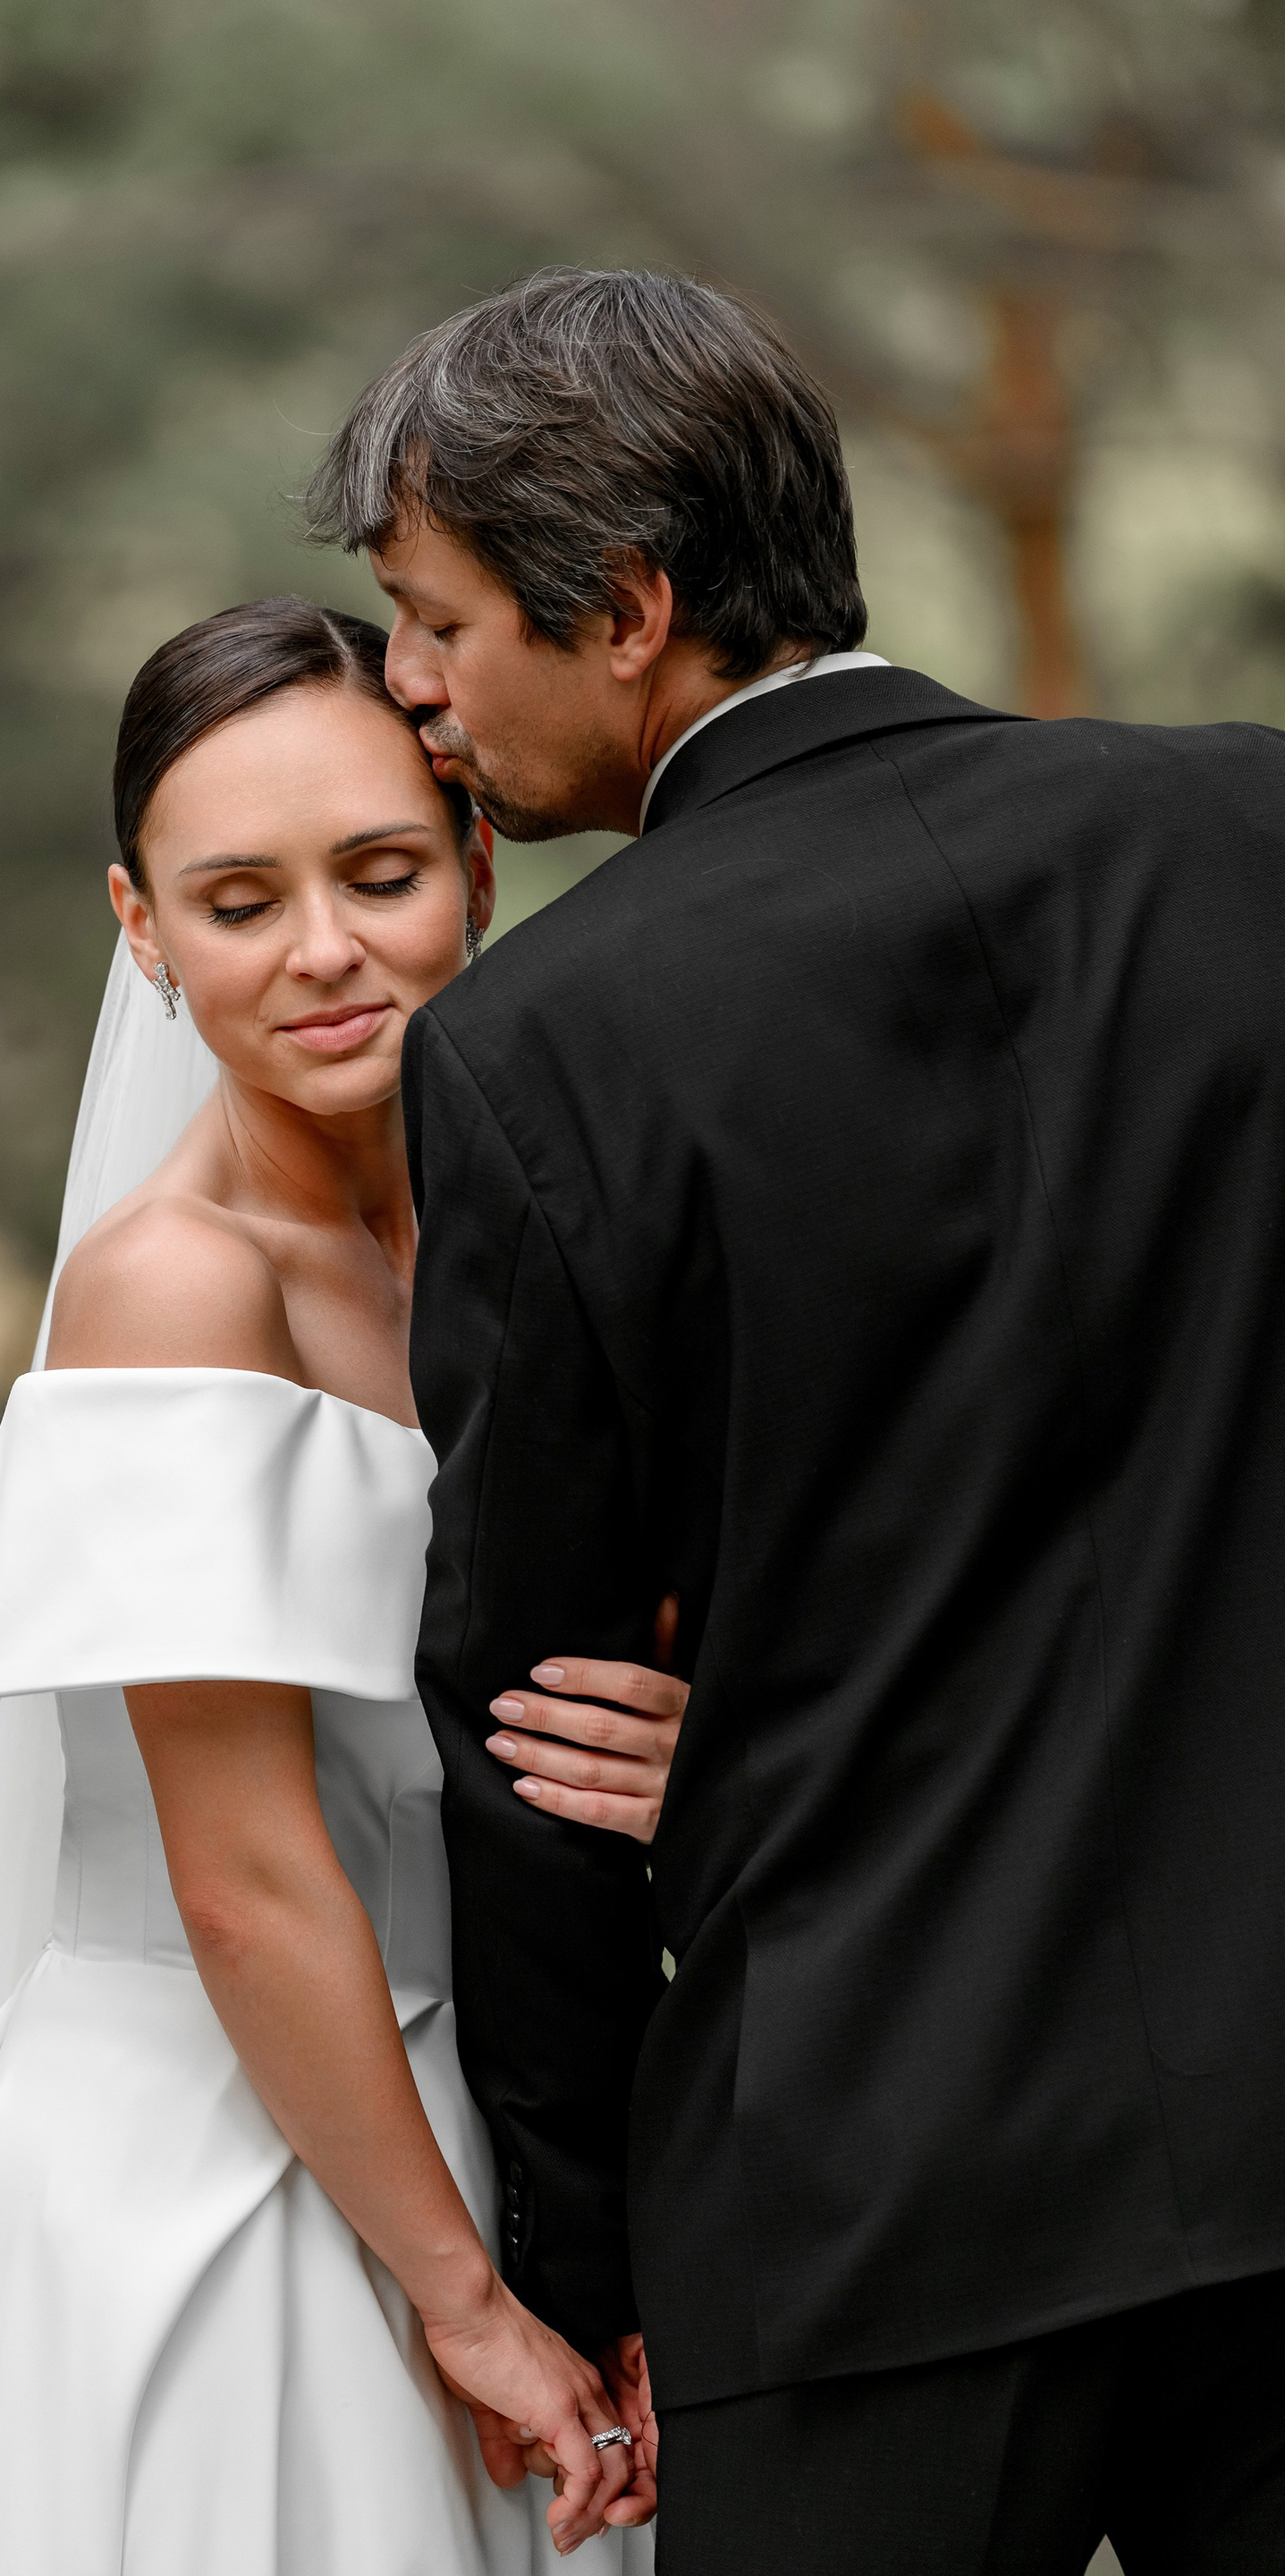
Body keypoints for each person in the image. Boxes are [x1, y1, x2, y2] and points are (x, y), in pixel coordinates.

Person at [306, 266, 1285, 2572]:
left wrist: (584, 2253)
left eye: (438, 623)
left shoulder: (544, 1045)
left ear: (629, 610)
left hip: (862, 2201)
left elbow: (529, 1724)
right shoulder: (1255, 840)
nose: (411, 685)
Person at [0, 597, 683, 2576]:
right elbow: (244, 1873)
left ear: (478, 867)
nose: (322, 951)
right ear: (140, 929)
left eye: (381, 874)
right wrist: (464, 2300)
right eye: (238, 902)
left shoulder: (528, 1237)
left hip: (476, 2114)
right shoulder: (174, 1286)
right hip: (212, 2168)